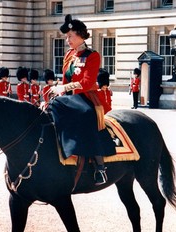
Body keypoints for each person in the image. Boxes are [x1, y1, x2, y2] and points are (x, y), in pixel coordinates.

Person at [49, 14, 116, 185]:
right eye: (66, 37)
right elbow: (65, 79)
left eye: (70, 36)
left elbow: (86, 83)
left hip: (86, 98)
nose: (67, 40)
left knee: (86, 115)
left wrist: (64, 88)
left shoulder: (93, 55)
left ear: (80, 35)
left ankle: (100, 168)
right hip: (69, 98)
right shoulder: (69, 55)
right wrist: (58, 93)